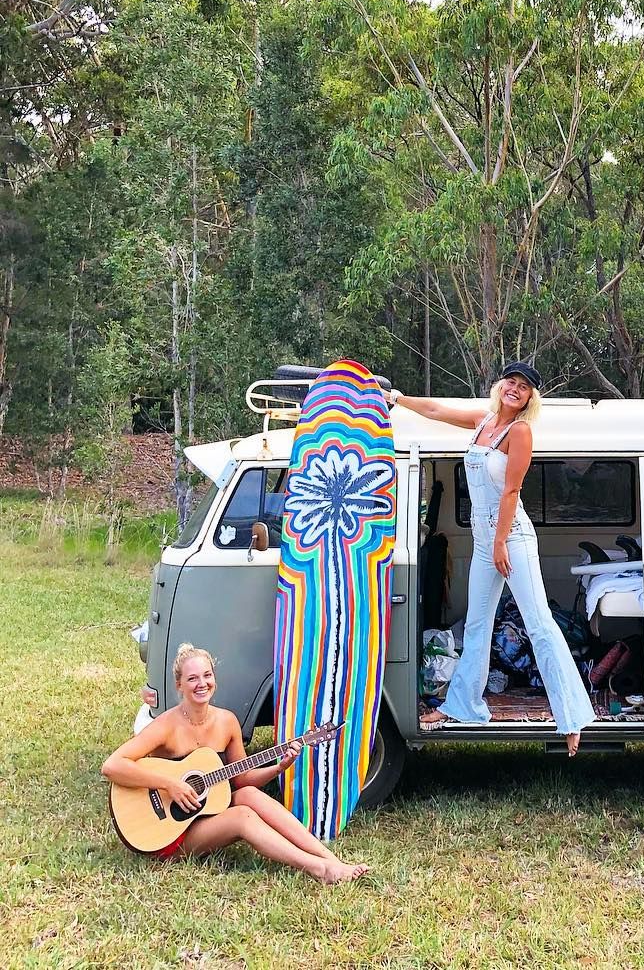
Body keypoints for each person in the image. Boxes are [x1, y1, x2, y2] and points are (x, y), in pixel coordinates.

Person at [387, 362, 594, 756]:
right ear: (501, 386)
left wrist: (500, 543)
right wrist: (397, 398)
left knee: (539, 624)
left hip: (511, 536)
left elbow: (512, 491)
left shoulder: (520, 432)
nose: (515, 389)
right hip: (485, 539)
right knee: (477, 624)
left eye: (524, 387)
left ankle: (572, 718)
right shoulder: (483, 422)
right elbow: (435, 410)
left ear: (531, 398)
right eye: (511, 382)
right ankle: (462, 705)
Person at [102, 643, 369, 884]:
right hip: (166, 832)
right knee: (241, 817)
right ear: (179, 685)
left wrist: (279, 768)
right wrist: (170, 784)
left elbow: (241, 780)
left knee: (249, 795)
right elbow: (112, 766)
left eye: (207, 675)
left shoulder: (227, 721)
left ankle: (330, 858)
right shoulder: (167, 726)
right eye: (192, 678)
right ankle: (319, 869)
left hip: (202, 817)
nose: (201, 684)